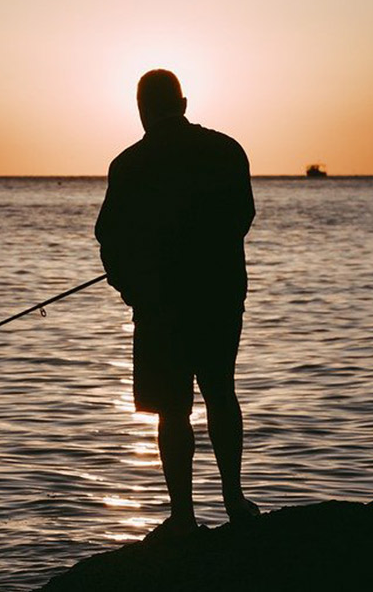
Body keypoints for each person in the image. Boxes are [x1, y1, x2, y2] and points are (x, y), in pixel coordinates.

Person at [95, 69, 259, 540]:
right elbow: (241, 218)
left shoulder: (128, 165)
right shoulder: (227, 151)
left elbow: (109, 237)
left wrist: (134, 290)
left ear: (142, 109)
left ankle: (183, 517)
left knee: (172, 410)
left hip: (159, 305)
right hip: (220, 296)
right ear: (183, 104)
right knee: (220, 394)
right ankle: (234, 501)